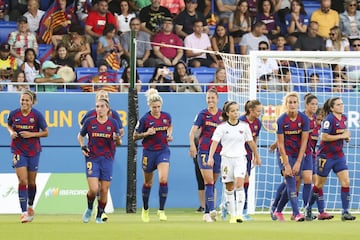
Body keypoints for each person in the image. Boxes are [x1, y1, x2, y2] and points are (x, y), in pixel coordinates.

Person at [208, 101, 261, 223]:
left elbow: (251, 142)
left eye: (237, 110)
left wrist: (257, 156)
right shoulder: (221, 127)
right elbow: (214, 142)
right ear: (227, 113)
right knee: (229, 187)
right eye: (233, 111)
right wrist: (210, 157)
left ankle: (239, 214)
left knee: (239, 184)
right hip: (226, 159)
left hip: (240, 159)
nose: (236, 113)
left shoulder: (244, 126)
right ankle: (232, 215)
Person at [305, 97, 356, 221]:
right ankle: (309, 208)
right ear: (332, 108)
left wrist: (346, 137)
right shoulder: (328, 120)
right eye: (338, 104)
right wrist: (342, 135)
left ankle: (345, 212)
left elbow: (343, 133)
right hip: (325, 156)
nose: (341, 106)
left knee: (346, 182)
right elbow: (324, 137)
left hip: (339, 156)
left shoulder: (343, 118)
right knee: (319, 184)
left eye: (342, 104)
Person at [7, 89, 49, 223]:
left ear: (32, 102)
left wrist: (31, 135)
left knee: (31, 182)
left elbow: (46, 132)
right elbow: (8, 125)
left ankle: (30, 206)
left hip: (33, 151)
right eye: (22, 100)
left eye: (27, 100)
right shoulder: (14, 114)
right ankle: (23, 212)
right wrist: (11, 132)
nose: (24, 102)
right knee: (23, 181)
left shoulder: (37, 115)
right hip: (18, 150)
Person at [78, 98, 121, 224]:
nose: (99, 109)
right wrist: (82, 146)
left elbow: (118, 142)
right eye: (97, 106)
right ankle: (89, 208)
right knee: (93, 189)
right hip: (92, 157)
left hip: (107, 158)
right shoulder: (90, 122)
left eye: (102, 106)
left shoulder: (113, 123)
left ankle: (99, 214)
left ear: (108, 109)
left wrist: (117, 139)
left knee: (104, 190)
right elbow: (80, 136)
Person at [133, 88, 173, 222]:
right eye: (154, 107)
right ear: (150, 106)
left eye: (158, 107)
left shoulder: (166, 117)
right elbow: (134, 136)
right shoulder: (145, 119)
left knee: (163, 179)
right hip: (149, 153)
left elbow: (169, 126)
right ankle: (145, 210)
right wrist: (146, 134)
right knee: (148, 183)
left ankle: (161, 210)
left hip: (163, 151)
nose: (156, 109)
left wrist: (169, 135)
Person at [273, 92, 309, 222]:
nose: (292, 105)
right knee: (291, 181)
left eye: (295, 102)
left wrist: (299, 162)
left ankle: (278, 210)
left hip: (297, 154)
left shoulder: (304, 119)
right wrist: (287, 164)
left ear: (298, 104)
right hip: (285, 154)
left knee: (295, 181)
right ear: (286, 104)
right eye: (290, 102)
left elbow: (304, 141)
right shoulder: (281, 120)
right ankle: (296, 213)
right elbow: (280, 144)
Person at [189, 88, 223, 222]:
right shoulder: (202, 114)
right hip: (204, 150)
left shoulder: (222, 115)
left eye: (212, 98)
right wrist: (192, 145)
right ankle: (208, 212)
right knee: (208, 181)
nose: (210, 100)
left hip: (219, 152)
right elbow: (192, 132)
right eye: (208, 98)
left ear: (217, 99)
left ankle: (210, 211)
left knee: (213, 182)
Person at [238, 100, 262, 220]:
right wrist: (257, 156)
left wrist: (253, 155)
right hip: (237, 155)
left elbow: (254, 140)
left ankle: (241, 209)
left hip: (247, 155)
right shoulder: (241, 121)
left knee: (245, 183)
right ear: (251, 110)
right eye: (258, 111)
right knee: (242, 181)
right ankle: (240, 209)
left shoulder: (258, 123)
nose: (259, 113)